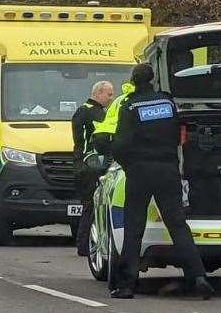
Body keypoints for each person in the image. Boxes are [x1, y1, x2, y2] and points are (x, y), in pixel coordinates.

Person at [110, 63, 212, 300]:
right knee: (177, 225)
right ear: (153, 79)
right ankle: (198, 277)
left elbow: (121, 144)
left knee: (134, 228)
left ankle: (126, 285)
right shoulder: (167, 103)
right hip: (167, 170)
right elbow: (178, 134)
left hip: (140, 171)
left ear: (133, 82)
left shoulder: (130, 105)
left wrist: (128, 164)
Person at [71, 80, 114, 257]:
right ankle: (84, 245)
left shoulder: (98, 111)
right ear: (98, 93)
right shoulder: (87, 111)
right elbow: (85, 141)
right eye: (109, 94)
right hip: (89, 166)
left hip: (91, 164)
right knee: (91, 205)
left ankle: (87, 243)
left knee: (93, 205)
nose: (111, 98)